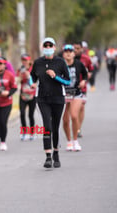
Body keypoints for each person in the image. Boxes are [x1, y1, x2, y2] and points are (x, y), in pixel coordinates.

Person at [30, 37, 70, 168]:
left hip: (58, 98)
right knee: (47, 126)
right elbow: (32, 78)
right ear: (42, 48)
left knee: (55, 126)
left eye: (50, 46)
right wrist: (32, 84)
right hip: (42, 98)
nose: (48, 48)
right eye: (45, 46)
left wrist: (55, 76)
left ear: (54, 48)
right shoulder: (38, 63)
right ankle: (48, 156)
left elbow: (68, 81)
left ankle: (56, 153)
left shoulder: (60, 62)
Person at [61, 44, 88, 152]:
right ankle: (69, 141)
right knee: (65, 120)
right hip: (63, 94)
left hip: (76, 92)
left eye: (70, 51)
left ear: (73, 53)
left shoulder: (78, 64)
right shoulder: (60, 65)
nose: (68, 53)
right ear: (63, 54)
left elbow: (85, 75)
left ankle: (75, 141)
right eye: (66, 51)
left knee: (74, 115)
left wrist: (83, 81)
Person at [73, 41, 94, 138]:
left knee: (81, 107)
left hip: (82, 87)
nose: (76, 50)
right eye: (74, 48)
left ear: (82, 49)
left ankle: (78, 128)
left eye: (78, 48)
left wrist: (88, 75)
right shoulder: (69, 58)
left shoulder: (86, 59)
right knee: (72, 110)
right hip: (71, 87)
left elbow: (90, 69)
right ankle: (74, 125)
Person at [17, 54, 36, 141]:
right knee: (22, 113)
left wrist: (29, 76)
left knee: (31, 115)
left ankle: (32, 133)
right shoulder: (20, 69)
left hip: (32, 95)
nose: (24, 62)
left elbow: (36, 82)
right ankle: (24, 132)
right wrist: (21, 76)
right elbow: (17, 81)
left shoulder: (34, 69)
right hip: (23, 95)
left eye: (26, 60)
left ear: (29, 60)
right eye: (23, 60)